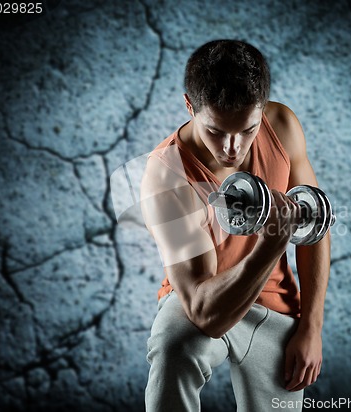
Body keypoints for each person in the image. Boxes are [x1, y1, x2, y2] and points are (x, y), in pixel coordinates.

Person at [140, 39, 331, 412]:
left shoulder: (281, 125)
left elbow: (313, 227)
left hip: (274, 305)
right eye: (215, 131)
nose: (232, 148)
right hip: (199, 300)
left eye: (247, 130)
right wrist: (270, 245)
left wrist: (311, 327)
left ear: (261, 109)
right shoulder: (166, 177)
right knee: (173, 345)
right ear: (190, 106)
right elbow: (204, 311)